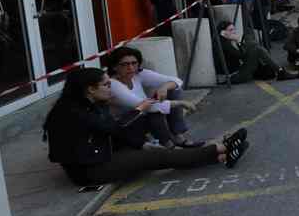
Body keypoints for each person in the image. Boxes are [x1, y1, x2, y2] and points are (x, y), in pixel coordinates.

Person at [44, 68, 248, 186]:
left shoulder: (88, 104)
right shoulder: (74, 111)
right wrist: (138, 110)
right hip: (90, 170)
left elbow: (113, 131)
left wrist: (141, 143)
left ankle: (221, 154)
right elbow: (114, 129)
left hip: (102, 152)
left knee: (154, 150)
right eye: (106, 85)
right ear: (90, 89)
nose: (110, 88)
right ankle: (221, 148)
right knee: (158, 157)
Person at [105, 47, 204, 149]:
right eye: (125, 64)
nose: (130, 67)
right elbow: (143, 105)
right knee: (155, 111)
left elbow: (177, 81)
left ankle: (177, 136)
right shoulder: (113, 84)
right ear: (114, 67)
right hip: (127, 126)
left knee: (173, 90)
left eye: (134, 63)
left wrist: (164, 87)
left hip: (144, 115)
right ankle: (169, 146)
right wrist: (180, 103)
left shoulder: (138, 75)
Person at [218, 22, 298, 83]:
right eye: (231, 30)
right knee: (257, 50)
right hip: (235, 76)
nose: (234, 32)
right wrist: (238, 41)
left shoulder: (226, 42)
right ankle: (280, 71)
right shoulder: (224, 44)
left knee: (255, 46)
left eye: (234, 29)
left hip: (239, 70)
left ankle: (279, 70)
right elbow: (241, 55)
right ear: (223, 33)